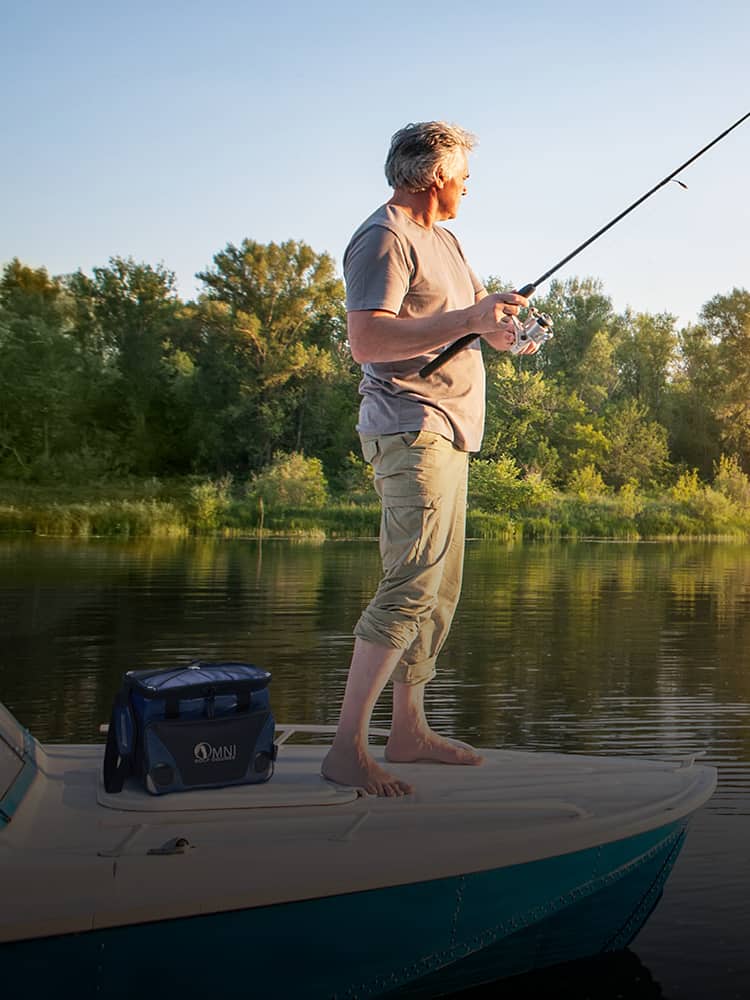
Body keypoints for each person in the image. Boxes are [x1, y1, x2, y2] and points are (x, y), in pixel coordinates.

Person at [321, 121, 532, 797]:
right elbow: (367, 338)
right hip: (411, 426)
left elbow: (462, 320)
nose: (468, 183)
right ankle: (346, 746)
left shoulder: (444, 240)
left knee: (439, 591)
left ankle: (407, 730)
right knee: (411, 581)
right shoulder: (384, 236)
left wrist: (500, 330)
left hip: (449, 430)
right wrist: (471, 319)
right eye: (463, 172)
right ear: (435, 175)